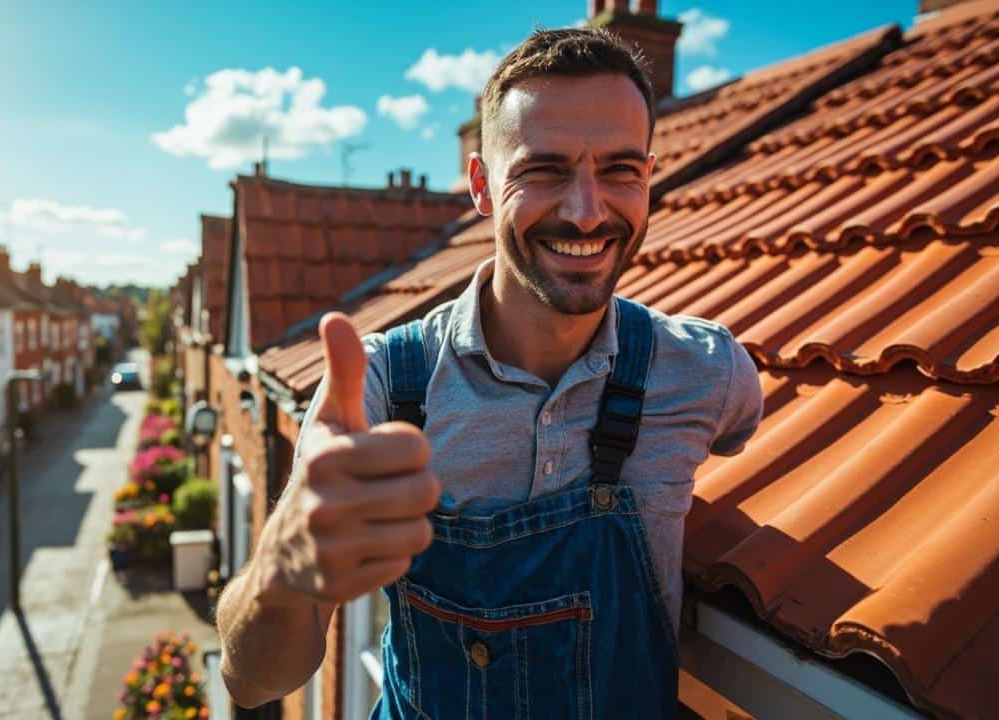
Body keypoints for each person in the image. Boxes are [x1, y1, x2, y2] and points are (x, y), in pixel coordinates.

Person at [216, 27, 763, 719]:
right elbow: (252, 682)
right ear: (480, 184)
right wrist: (282, 570)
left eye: (622, 170)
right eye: (545, 170)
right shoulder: (386, 388)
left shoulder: (706, 373)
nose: (587, 211)